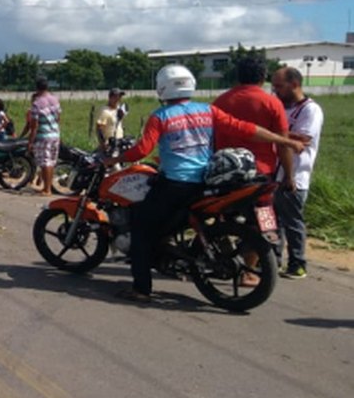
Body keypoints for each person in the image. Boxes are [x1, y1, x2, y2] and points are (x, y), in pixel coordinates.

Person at [102, 65, 308, 303]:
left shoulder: (161, 116)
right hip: (206, 182)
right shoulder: (208, 111)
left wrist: (114, 159)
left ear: (161, 87)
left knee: (141, 228)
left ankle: (141, 288)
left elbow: (142, 149)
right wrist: (284, 140)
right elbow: (247, 130)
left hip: (174, 184)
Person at [270, 66, 324, 279]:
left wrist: (275, 132)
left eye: (279, 86)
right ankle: (273, 261)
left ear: (294, 84)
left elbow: (303, 139)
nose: (275, 91)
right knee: (274, 222)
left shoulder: (310, 110)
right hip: (275, 172)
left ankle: (298, 263)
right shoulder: (283, 107)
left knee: (292, 221)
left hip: (295, 175)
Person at [213, 57, 292, 180]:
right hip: (261, 170)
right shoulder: (272, 103)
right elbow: (282, 143)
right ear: (263, 77)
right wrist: (289, 176)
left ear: (238, 76)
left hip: (226, 171)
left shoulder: (219, 102)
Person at [20, 77, 61, 196]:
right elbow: (58, 118)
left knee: (45, 162)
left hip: (44, 136)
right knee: (52, 162)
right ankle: (48, 186)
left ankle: (46, 189)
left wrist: (30, 141)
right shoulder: (55, 99)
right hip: (55, 134)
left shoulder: (37, 103)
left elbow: (34, 126)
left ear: (37, 88)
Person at [96, 88, 126, 154]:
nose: (118, 99)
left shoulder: (118, 109)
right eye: (116, 97)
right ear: (110, 98)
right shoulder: (105, 111)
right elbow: (99, 128)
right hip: (110, 145)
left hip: (119, 143)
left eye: (120, 97)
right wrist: (103, 143)